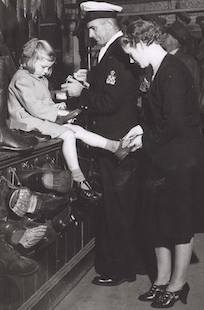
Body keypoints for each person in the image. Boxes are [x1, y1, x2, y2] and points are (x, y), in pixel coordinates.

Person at [120, 19, 204, 308]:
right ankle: (161, 280)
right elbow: (159, 117)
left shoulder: (173, 72)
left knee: (179, 224)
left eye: (130, 51)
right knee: (158, 221)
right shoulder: (157, 71)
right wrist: (140, 129)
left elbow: (174, 123)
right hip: (163, 158)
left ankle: (178, 284)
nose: (129, 58)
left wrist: (144, 139)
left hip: (181, 161)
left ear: (142, 43)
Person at [61, 1, 142, 286]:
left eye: (93, 28)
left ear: (108, 23)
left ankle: (120, 270)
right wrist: (90, 81)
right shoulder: (109, 53)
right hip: (113, 142)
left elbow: (109, 102)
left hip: (117, 144)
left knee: (118, 208)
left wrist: (80, 93)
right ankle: (118, 265)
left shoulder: (118, 54)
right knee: (115, 206)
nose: (91, 34)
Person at [8, 38, 123, 201]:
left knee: (77, 130)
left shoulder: (40, 79)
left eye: (48, 67)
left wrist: (56, 108)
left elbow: (45, 103)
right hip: (22, 122)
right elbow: (36, 108)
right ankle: (79, 179)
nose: (46, 71)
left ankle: (114, 146)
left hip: (36, 119)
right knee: (68, 135)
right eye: (43, 67)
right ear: (31, 61)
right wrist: (58, 115)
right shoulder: (22, 79)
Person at [162, 20, 201, 101]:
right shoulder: (163, 58)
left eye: (167, 35)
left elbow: (193, 89)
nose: (163, 36)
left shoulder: (188, 61)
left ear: (174, 41)